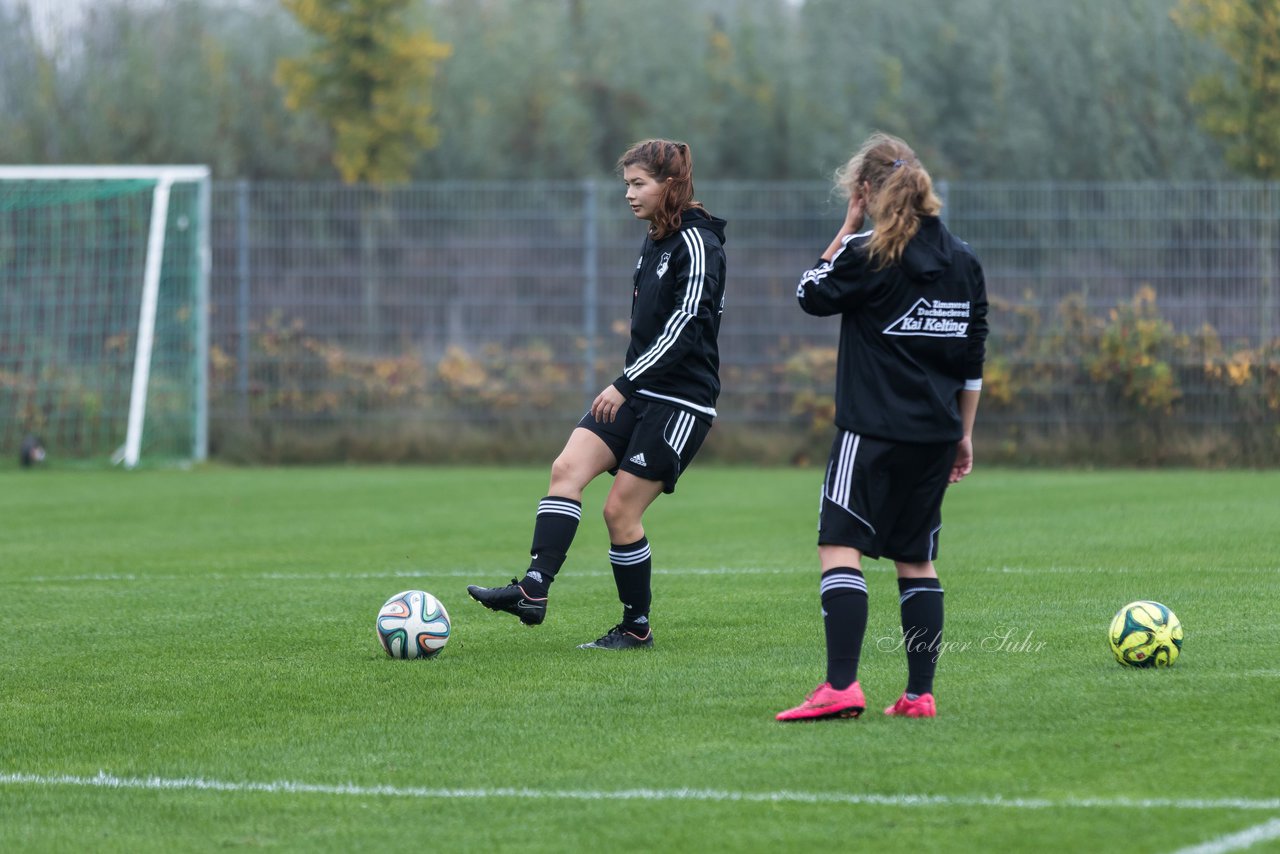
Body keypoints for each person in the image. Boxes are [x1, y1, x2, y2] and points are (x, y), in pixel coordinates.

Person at [467, 139, 728, 650]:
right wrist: (631, 383)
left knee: (620, 513)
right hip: (639, 388)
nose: (629, 194)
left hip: (680, 402)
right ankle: (533, 590)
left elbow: (687, 327)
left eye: (638, 184)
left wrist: (625, 382)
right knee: (567, 469)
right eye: (626, 184)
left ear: (670, 186)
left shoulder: (699, 244)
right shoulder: (655, 239)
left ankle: (636, 627)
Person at [776, 132, 988, 721]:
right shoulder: (963, 259)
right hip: (937, 434)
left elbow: (809, 295)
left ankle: (841, 685)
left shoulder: (866, 251)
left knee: (838, 546)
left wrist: (845, 228)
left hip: (869, 431)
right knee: (916, 560)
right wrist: (963, 433)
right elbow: (973, 361)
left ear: (865, 191)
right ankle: (919, 695)